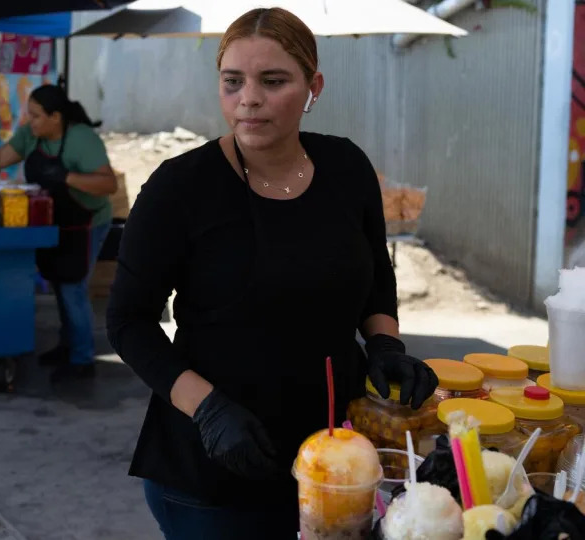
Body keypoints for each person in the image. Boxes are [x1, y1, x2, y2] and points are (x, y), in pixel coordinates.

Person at [106, 8, 438, 538]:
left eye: (273, 81)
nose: (249, 99)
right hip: (214, 469)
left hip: (338, 458)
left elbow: (376, 272)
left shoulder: (347, 168)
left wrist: (385, 345)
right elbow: (128, 322)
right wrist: (208, 409)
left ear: (314, 86)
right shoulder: (180, 189)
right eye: (232, 82)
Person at [0, 84, 117, 381]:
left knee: (73, 287)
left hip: (87, 222)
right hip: (54, 220)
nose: (29, 121)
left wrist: (66, 176)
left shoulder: (82, 139)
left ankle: (83, 359)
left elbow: (108, 185)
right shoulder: (32, 137)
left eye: (35, 116)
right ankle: (67, 345)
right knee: (59, 283)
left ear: (55, 117)